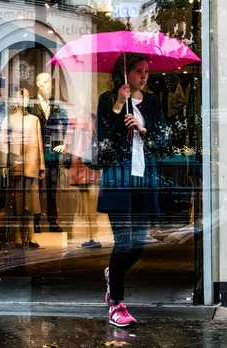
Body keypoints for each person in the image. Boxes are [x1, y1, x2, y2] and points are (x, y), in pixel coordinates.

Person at [94, 53, 169, 328]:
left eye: (146, 71)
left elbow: (164, 138)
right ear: (125, 74)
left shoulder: (152, 103)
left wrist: (143, 128)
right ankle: (117, 305)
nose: (144, 76)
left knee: (138, 245)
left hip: (144, 179)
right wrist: (117, 104)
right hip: (118, 179)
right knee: (124, 242)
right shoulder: (108, 99)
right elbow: (104, 137)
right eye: (138, 71)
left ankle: (114, 275)